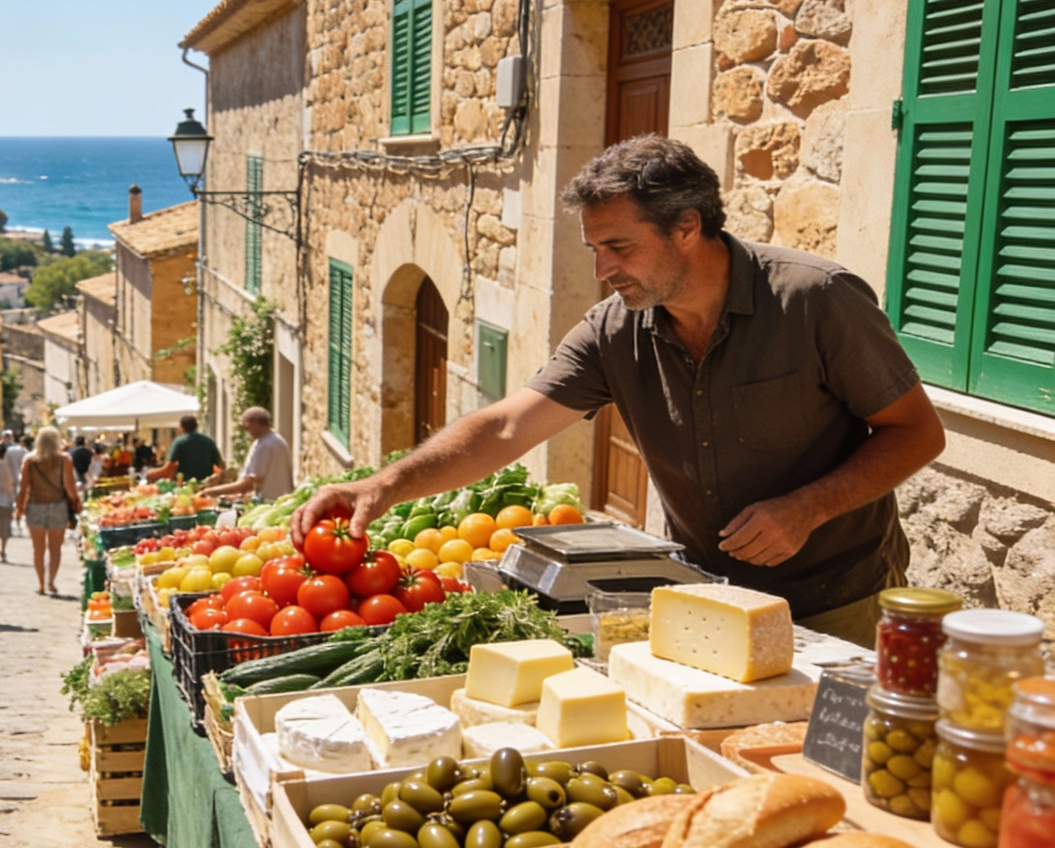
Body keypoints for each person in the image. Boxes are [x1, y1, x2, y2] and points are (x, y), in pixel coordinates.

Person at [291, 136, 945, 647]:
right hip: (706, 596)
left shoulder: (814, 299)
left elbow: (917, 431)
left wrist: (805, 508)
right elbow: (505, 428)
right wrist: (380, 486)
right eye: (594, 249)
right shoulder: (613, 329)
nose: (603, 271)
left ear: (687, 227)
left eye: (619, 247)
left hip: (840, 599)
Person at [15, 427, 82, 595]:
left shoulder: (29, 460)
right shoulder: (64, 460)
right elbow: (70, 488)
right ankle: (51, 581)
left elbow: (23, 488)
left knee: (38, 549)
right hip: (58, 506)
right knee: (55, 548)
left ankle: (41, 584)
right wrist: (76, 501)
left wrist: (19, 508)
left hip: (35, 506)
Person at [208, 408, 295, 501]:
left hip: (269, 502)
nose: (246, 431)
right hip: (279, 500)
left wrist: (211, 491)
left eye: (246, 426)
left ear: (254, 422)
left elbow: (248, 484)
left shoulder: (264, 445)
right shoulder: (275, 440)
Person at [147, 414, 223, 484]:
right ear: (197, 426)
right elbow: (221, 464)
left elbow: (169, 467)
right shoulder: (209, 441)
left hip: (185, 484)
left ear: (181, 427)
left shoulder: (179, 442)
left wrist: (151, 474)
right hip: (206, 484)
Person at [0, 430, 26, 562]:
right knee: (5, 527)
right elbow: (10, 483)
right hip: (6, 500)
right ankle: (2, 551)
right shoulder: (6, 466)